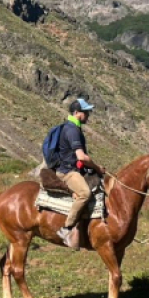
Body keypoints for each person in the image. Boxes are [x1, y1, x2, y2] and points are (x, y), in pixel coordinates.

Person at [54, 98, 105, 249]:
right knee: (84, 193)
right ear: (77, 113)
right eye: (85, 112)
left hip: (75, 168)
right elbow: (81, 157)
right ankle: (67, 229)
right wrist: (96, 167)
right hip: (67, 171)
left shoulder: (73, 127)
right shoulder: (72, 130)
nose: (88, 114)